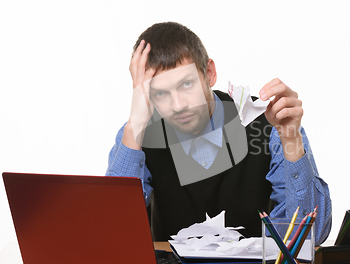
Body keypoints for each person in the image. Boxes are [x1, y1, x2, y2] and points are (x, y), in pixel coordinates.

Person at [106, 22, 332, 244]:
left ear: (209, 73)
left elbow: (312, 237)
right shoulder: (138, 134)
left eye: (186, 84)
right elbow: (112, 232)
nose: (178, 105)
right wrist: (135, 124)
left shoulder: (274, 125)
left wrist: (291, 138)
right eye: (160, 93)